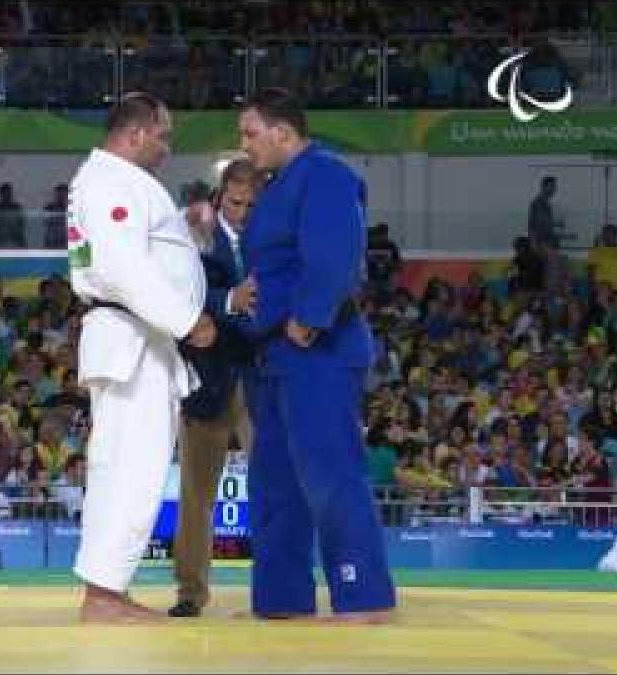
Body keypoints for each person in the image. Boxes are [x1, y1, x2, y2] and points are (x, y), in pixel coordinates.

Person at [238, 87, 395, 624]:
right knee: (274, 481)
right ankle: (281, 598)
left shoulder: (324, 173)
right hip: (272, 356)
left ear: (284, 132)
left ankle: (362, 595)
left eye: (250, 133)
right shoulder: (278, 186)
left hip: (317, 349)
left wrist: (310, 316)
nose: (244, 144)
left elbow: (335, 250)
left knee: (331, 474)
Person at [66, 92, 217, 623]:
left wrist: (184, 225)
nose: (167, 147)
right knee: (130, 467)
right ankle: (103, 596)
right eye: (163, 135)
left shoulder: (114, 183)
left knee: (131, 466)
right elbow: (123, 265)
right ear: (136, 132)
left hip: (136, 338)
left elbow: (142, 244)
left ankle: (108, 589)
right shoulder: (111, 182)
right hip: (132, 337)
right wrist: (187, 319)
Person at [169, 158, 259, 618]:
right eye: (237, 202)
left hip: (259, 377)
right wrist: (227, 300)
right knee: (196, 492)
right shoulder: (192, 233)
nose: (243, 212)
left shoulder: (270, 235)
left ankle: (278, 586)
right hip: (207, 375)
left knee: (274, 486)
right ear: (221, 196)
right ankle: (190, 592)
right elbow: (178, 291)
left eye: (251, 204)